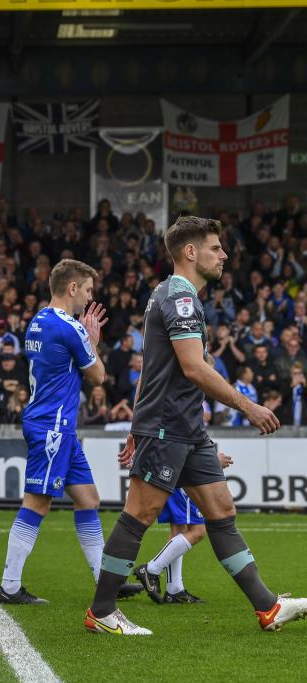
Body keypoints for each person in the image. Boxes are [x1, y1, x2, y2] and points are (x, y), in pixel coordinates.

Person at [87, 216, 306, 636]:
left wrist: (135, 426)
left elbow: (152, 370)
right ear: (191, 252)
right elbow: (193, 367)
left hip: (185, 430)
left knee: (221, 512)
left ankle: (268, 607)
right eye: (215, 247)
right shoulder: (180, 297)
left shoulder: (176, 295)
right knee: (139, 515)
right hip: (168, 428)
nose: (223, 255)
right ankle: (101, 611)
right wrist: (248, 406)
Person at [0, 259, 141, 605]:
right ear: (72, 288)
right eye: (88, 290)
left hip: (58, 426)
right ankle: (10, 586)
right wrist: (92, 339)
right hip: (53, 427)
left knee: (88, 498)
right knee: (37, 502)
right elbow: (99, 376)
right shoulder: (69, 327)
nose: (90, 298)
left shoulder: (37, 321)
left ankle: (105, 582)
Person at [135, 455, 234, 607]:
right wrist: (212, 461)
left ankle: (174, 590)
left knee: (179, 530)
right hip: (182, 474)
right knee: (198, 530)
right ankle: (150, 569)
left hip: (172, 471)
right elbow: (185, 441)